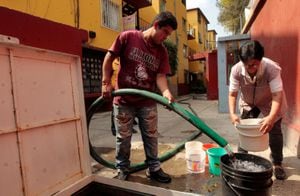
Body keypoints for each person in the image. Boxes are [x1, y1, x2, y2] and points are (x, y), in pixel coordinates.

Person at [101, 11, 177, 183]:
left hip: (147, 101)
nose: (166, 37)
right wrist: (106, 82)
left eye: (169, 34)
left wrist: (166, 92)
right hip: (123, 100)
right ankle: (122, 168)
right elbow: (109, 58)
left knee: (151, 136)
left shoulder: (162, 51)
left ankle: (154, 168)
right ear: (156, 25)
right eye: (165, 32)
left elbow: (160, 76)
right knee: (123, 137)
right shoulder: (128, 37)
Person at [228, 40, 286, 180]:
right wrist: (232, 113)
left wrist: (271, 117)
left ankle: (277, 163)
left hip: (269, 102)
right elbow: (233, 94)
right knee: (244, 129)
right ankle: (240, 161)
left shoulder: (271, 68)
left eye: (254, 64)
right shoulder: (236, 70)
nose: (251, 68)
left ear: (261, 59)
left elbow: (277, 94)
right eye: (247, 65)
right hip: (249, 102)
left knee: (275, 130)